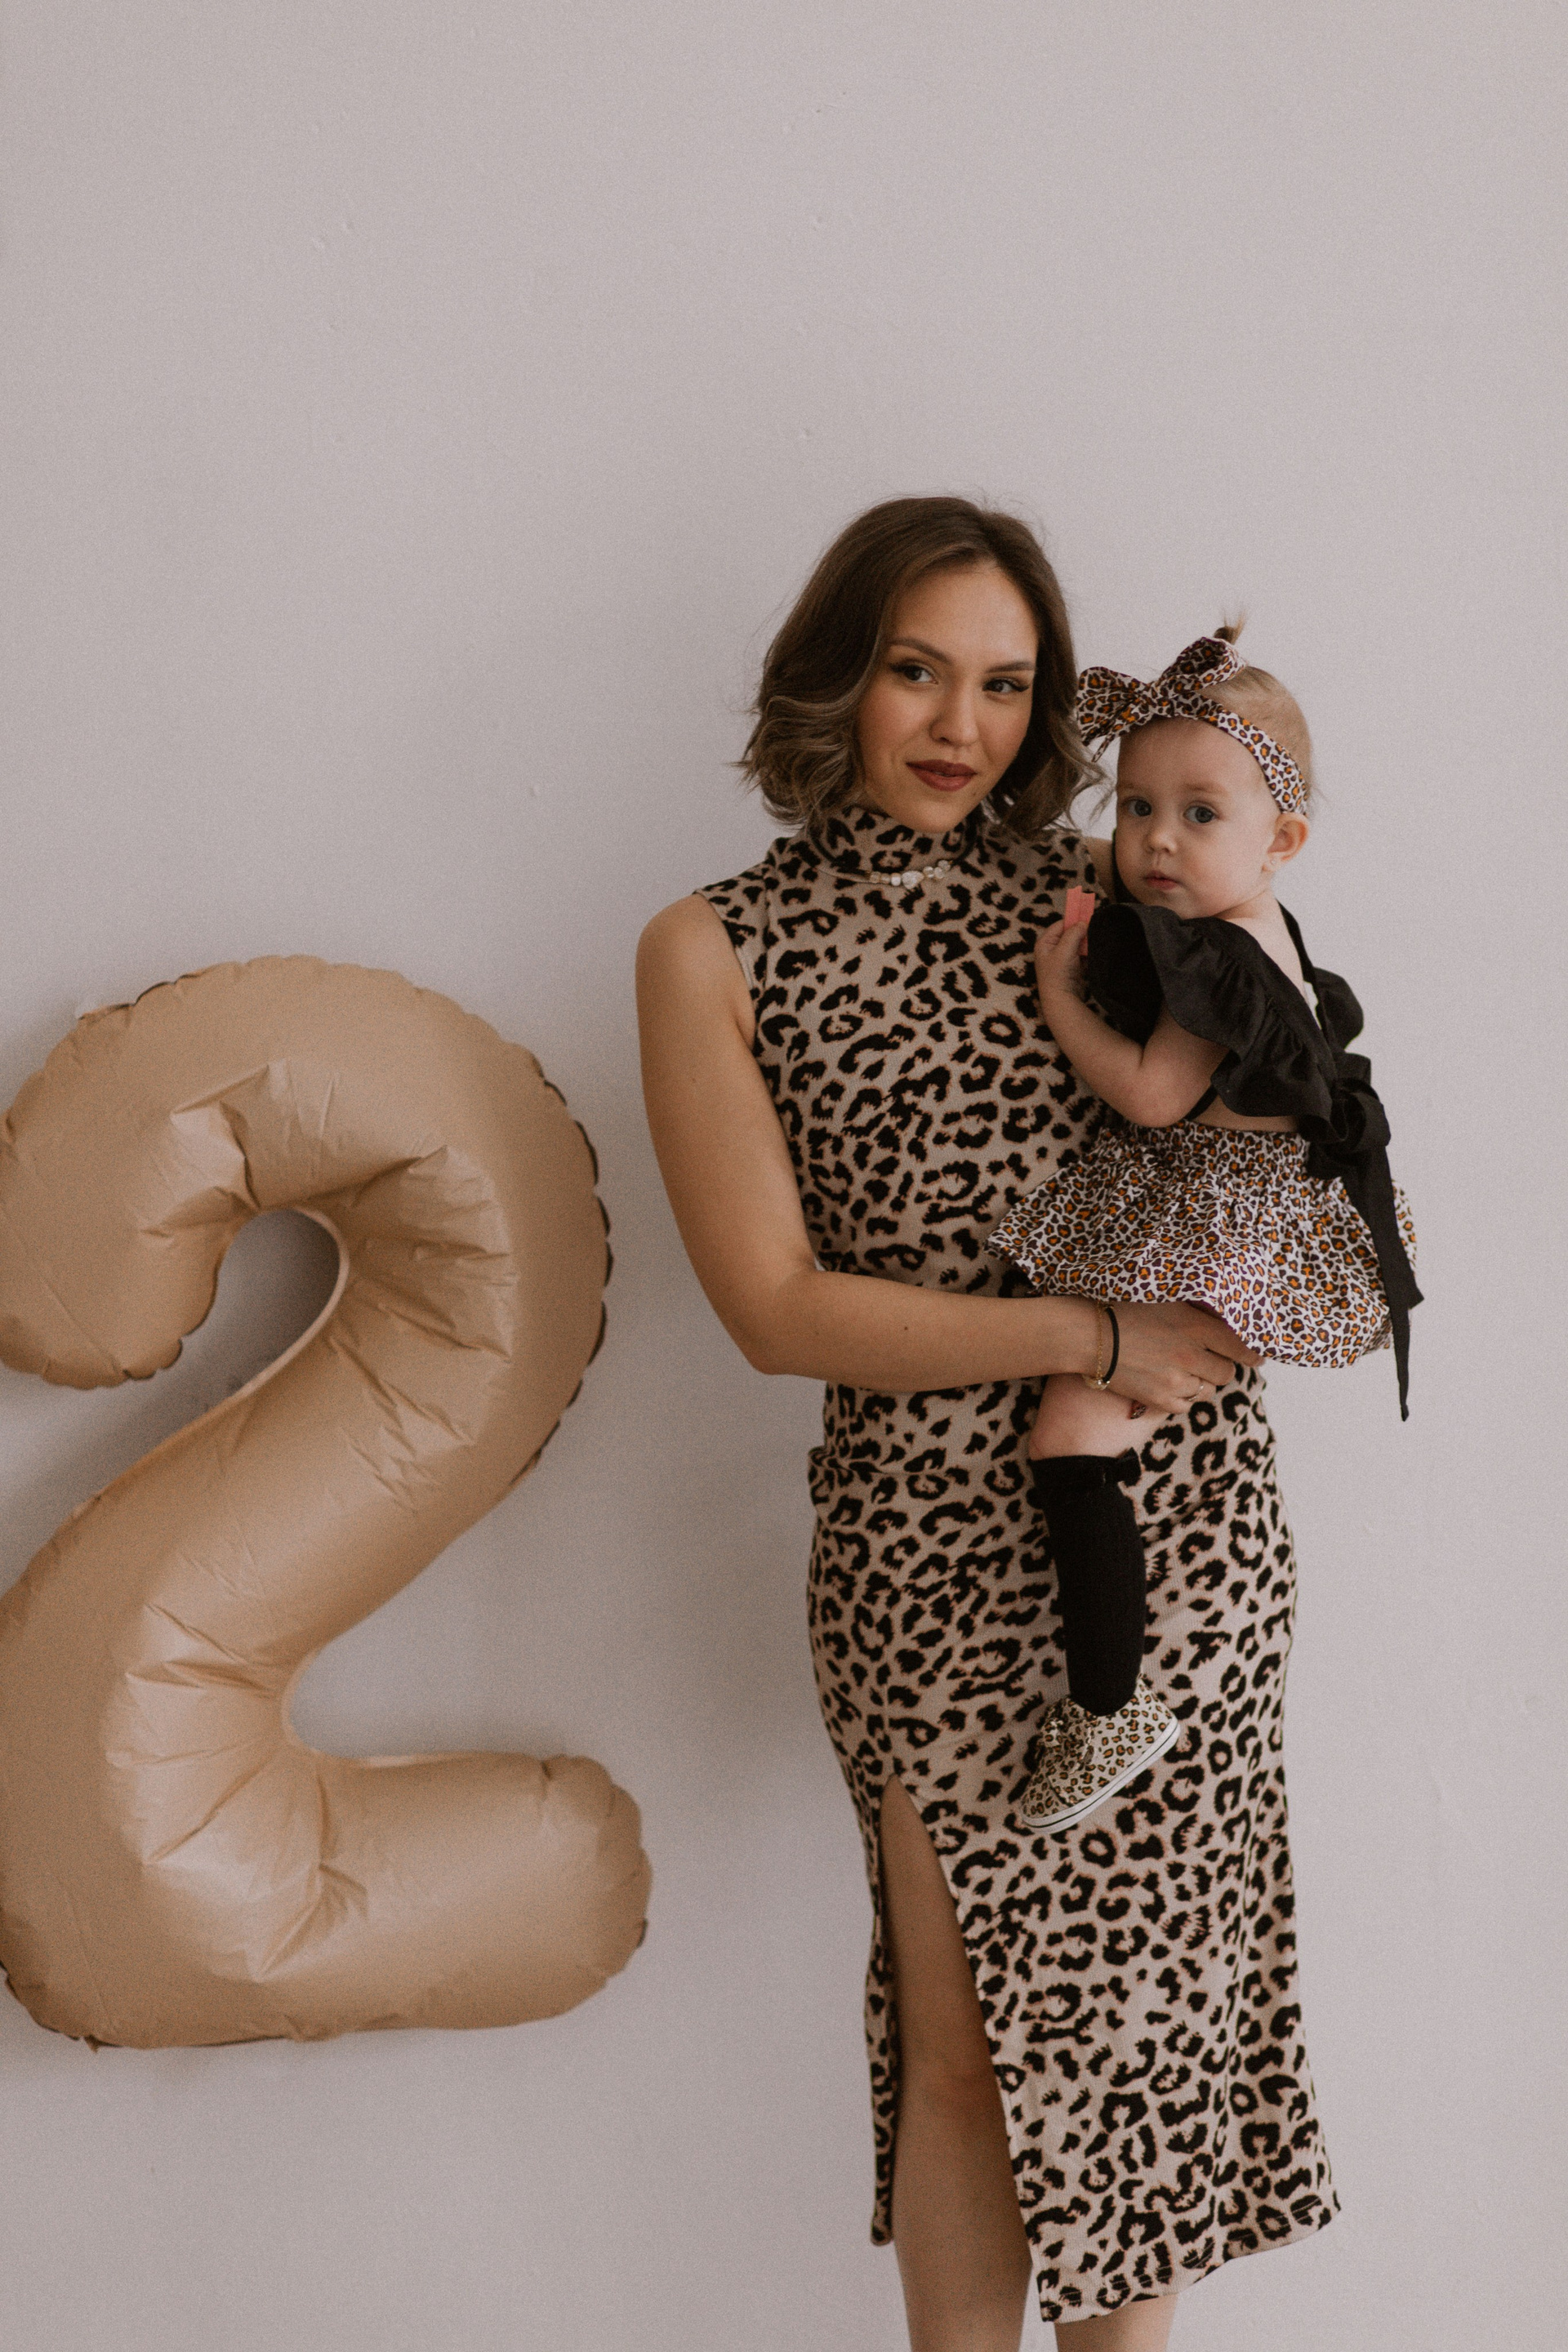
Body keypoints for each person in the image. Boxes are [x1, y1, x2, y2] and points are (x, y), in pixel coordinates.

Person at [636, 498, 1338, 2351]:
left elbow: (1289, 1076)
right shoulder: (712, 947)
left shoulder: (1112, 894)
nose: (963, 725)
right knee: (959, 2054)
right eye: (917, 671)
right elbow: (776, 1312)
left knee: (1136, 2044)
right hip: (922, 1546)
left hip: (1170, 1523)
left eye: (1009, 685)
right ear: (836, 679)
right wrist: (1094, 1328)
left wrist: (1255, 1273)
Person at [991, 630, 1419, 1837]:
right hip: (1246, 1206)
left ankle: (1108, 1706)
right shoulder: (1262, 924)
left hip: (1226, 1222)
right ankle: (1109, 1694)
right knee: (1087, 1428)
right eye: (1136, 807)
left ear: (1281, 841)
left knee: (1069, 1433)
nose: (1157, 842)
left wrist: (1058, 998)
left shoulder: (1222, 957)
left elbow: (1149, 1096)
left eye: (1199, 814)